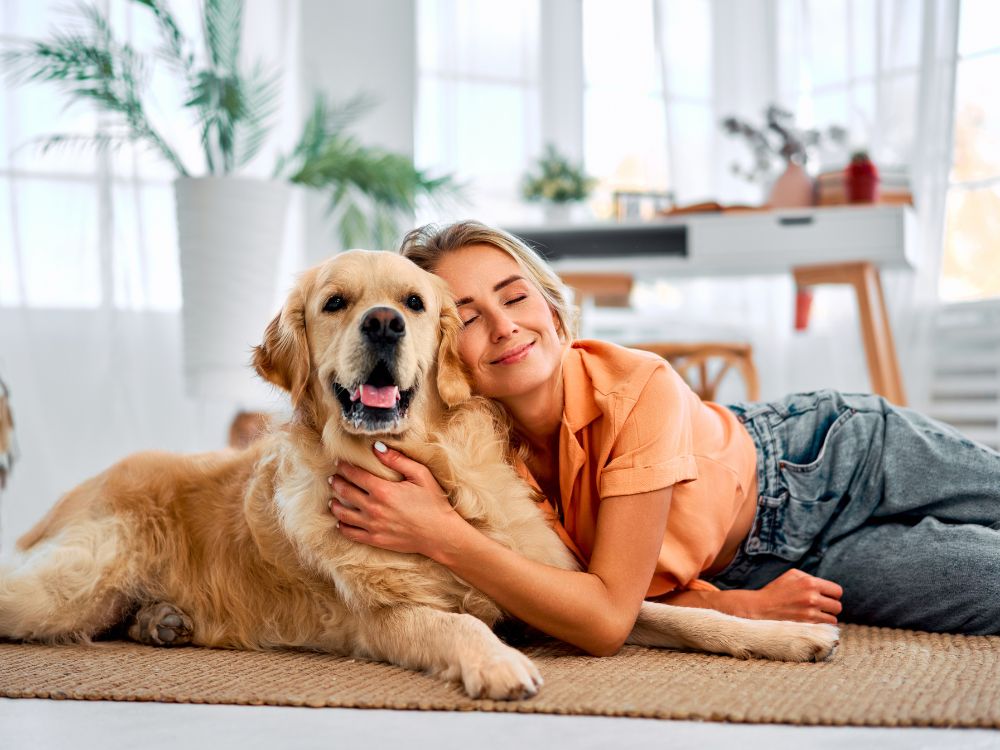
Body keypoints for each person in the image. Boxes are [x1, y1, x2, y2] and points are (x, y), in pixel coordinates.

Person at [327, 220, 1000, 656]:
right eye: (468, 317)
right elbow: (585, 594)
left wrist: (441, 533)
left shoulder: (636, 386)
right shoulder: (476, 456)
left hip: (829, 458)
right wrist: (734, 604)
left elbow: (604, 620)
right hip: (765, 564)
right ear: (440, 351)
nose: (504, 326)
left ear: (554, 309)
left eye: (516, 296)